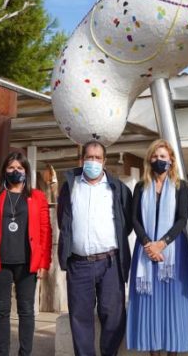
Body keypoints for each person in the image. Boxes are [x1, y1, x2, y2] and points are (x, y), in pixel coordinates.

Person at [57, 140, 133, 356]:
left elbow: (125, 223)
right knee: (80, 318)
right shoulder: (70, 186)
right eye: (89, 157)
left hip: (110, 263)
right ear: (81, 160)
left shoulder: (117, 188)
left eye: (97, 158)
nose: (93, 162)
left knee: (114, 315)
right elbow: (63, 219)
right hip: (79, 264)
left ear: (105, 161)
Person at [0, 151, 52, 356]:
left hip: (28, 263)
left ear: (26, 171)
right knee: (1, 311)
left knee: (26, 311)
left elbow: (46, 231)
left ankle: (24, 353)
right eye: (11, 168)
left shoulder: (37, 197)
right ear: (4, 171)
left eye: (20, 168)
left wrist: (44, 263)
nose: (15, 171)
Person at [126, 139, 188, 355]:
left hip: (173, 252)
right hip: (145, 251)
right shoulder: (141, 186)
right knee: (150, 304)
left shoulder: (181, 186)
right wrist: (149, 244)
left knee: (173, 305)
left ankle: (172, 350)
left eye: (163, 157)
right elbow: (134, 218)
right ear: (150, 159)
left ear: (171, 160)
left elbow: (182, 219)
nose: (159, 160)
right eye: (155, 156)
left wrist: (162, 244)